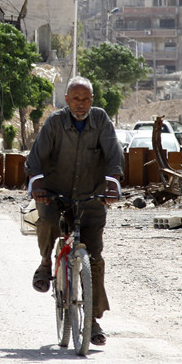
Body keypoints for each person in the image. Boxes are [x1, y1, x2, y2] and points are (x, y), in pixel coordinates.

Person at [25, 76, 124, 346]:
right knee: (47, 221)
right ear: (67, 100)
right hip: (55, 195)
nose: (81, 104)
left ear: (92, 100)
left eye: (86, 99)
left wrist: (113, 184)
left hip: (91, 196)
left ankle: (92, 320)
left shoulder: (101, 120)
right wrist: (37, 185)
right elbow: (35, 159)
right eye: (76, 99)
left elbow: (114, 155)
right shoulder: (55, 122)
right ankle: (46, 263)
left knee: (95, 259)